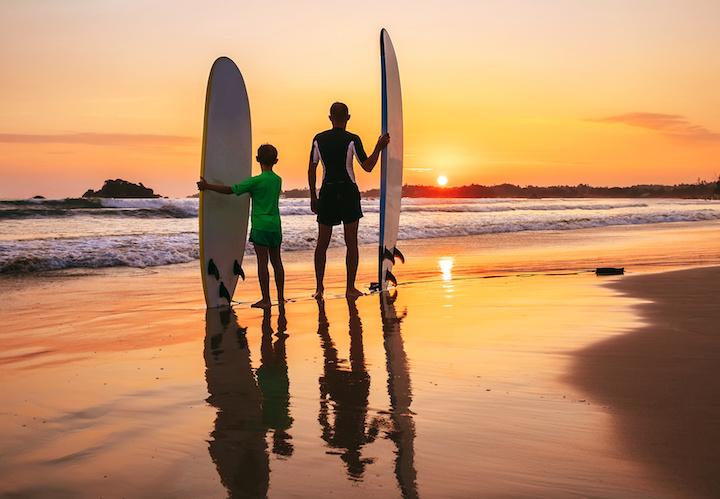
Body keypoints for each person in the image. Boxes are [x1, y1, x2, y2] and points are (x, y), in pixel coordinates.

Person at [308, 102, 390, 299]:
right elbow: (368, 166)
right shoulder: (352, 139)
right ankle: (350, 288)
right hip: (347, 190)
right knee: (351, 243)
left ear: (330, 118)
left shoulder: (319, 139)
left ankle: (319, 289)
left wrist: (313, 195)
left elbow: (312, 169)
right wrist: (378, 147)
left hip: (327, 192)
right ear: (348, 117)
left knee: (322, 243)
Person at [198, 144, 285, 309]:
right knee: (277, 262)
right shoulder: (278, 180)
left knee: (262, 263)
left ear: (257, 159)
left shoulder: (255, 181)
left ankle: (266, 299)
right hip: (275, 226)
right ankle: (280, 298)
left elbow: (230, 190)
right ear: (276, 161)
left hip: (260, 226)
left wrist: (208, 186)